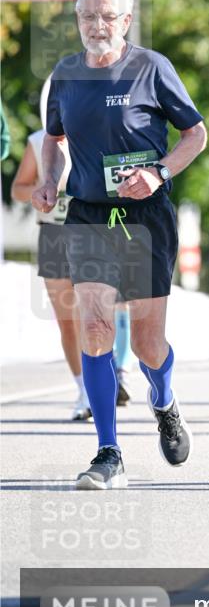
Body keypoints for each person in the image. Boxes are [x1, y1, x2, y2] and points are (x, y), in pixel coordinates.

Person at [32, 0, 207, 489]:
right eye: (88, 16)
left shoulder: (152, 68)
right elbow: (54, 139)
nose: (97, 25)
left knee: (149, 344)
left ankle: (164, 401)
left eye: (107, 16)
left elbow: (195, 134)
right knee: (94, 327)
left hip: (145, 217)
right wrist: (49, 180)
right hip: (89, 213)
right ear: (78, 20)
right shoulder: (66, 75)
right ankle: (108, 451)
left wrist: (159, 173)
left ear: (126, 21)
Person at [11, 78, 91, 421]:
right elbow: (17, 188)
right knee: (67, 322)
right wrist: (39, 190)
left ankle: (106, 379)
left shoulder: (98, 132)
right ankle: (84, 391)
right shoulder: (38, 140)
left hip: (93, 232)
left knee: (95, 316)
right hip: (54, 235)